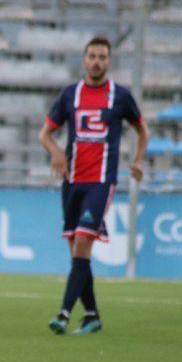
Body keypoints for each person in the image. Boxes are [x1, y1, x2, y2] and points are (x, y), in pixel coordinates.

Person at [38, 36, 149, 335]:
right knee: (77, 251)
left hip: (101, 182)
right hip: (72, 181)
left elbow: (142, 130)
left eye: (102, 56)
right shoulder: (70, 94)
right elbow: (45, 133)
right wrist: (57, 151)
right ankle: (92, 315)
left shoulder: (120, 96)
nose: (97, 61)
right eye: (92, 56)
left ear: (109, 61)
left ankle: (62, 314)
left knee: (84, 244)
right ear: (85, 60)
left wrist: (137, 161)